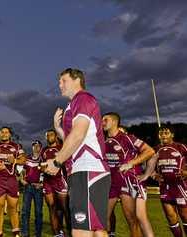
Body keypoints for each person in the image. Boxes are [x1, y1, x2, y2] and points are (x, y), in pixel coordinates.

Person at [44, 68, 110, 237]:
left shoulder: (82, 98)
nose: (59, 84)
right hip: (85, 171)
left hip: (88, 169)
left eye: (63, 80)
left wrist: (57, 161)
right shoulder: (73, 104)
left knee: (80, 230)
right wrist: (58, 129)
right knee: (96, 229)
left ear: (76, 80)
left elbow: (79, 134)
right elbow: (74, 138)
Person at [102, 113, 155, 237]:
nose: (102, 122)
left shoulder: (127, 138)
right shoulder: (104, 141)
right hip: (111, 183)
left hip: (127, 182)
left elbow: (150, 151)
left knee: (131, 220)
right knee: (102, 218)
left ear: (114, 122)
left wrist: (131, 163)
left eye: (105, 120)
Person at [0, 126, 26, 237]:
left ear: (10, 134)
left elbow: (23, 160)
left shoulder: (16, 146)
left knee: (13, 208)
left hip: (12, 180)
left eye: (6, 132)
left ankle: (16, 234)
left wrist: (15, 160)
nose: (4, 134)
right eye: (2, 132)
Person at [154, 125, 187, 237]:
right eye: (161, 133)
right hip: (165, 187)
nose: (163, 135)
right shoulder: (155, 149)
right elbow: (148, 166)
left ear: (172, 135)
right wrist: (154, 175)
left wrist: (186, 172)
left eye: (166, 133)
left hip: (180, 186)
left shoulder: (181, 147)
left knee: (184, 215)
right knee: (170, 216)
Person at [41, 129, 70, 237]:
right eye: (47, 135)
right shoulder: (43, 150)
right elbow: (41, 165)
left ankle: (70, 232)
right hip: (47, 182)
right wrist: (43, 168)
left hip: (60, 181)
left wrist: (57, 166)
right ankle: (57, 233)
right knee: (52, 208)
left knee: (65, 208)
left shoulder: (62, 147)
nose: (49, 136)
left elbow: (67, 163)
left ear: (56, 136)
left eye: (51, 134)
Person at [20, 140, 44, 237]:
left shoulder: (43, 159)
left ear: (40, 148)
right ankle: (25, 233)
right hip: (28, 187)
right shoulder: (27, 158)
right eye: (34, 146)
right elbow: (22, 171)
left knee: (38, 212)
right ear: (32, 147)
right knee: (25, 211)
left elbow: (46, 174)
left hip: (38, 188)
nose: (36, 147)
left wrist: (42, 184)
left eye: (38, 146)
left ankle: (37, 234)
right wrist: (21, 179)